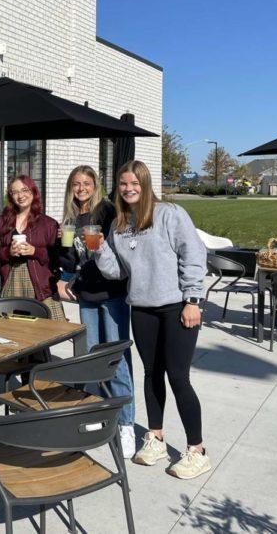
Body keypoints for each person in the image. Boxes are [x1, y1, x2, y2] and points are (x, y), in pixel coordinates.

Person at [93, 160, 211, 479]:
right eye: (123, 184)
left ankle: (197, 450)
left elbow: (194, 255)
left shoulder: (169, 214)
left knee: (178, 376)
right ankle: (156, 438)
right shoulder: (119, 226)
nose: (129, 189)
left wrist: (192, 299)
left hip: (177, 306)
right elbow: (118, 272)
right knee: (151, 373)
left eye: (135, 183)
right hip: (142, 308)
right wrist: (100, 249)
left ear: (145, 185)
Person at [56, 165, 136, 458]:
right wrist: (64, 262)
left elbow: (121, 251)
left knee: (116, 359)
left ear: (95, 185)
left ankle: (126, 424)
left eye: (86, 183)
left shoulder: (107, 212)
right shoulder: (70, 218)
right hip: (87, 295)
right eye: (76, 183)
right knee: (90, 358)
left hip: (112, 294)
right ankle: (97, 413)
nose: (81, 188)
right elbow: (70, 259)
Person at [0, 175, 63, 320]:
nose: (20, 196)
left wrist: (35, 251)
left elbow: (56, 259)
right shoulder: (2, 222)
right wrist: (9, 252)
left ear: (33, 191)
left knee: (46, 333)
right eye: (15, 192)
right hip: (12, 282)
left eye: (24, 190)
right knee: (13, 332)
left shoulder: (48, 224)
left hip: (40, 286)